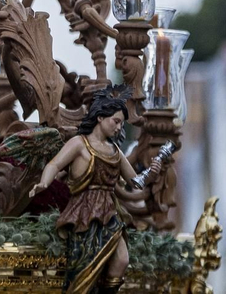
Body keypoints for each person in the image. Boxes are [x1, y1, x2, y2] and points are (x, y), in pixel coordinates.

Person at [32, 88, 164, 294]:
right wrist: (44, 183)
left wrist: (151, 175)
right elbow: (54, 165)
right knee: (85, 265)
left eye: (121, 123)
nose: (119, 128)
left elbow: (135, 181)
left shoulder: (115, 151)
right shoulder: (79, 144)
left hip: (109, 213)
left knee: (122, 259)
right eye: (116, 121)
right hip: (84, 213)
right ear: (100, 117)